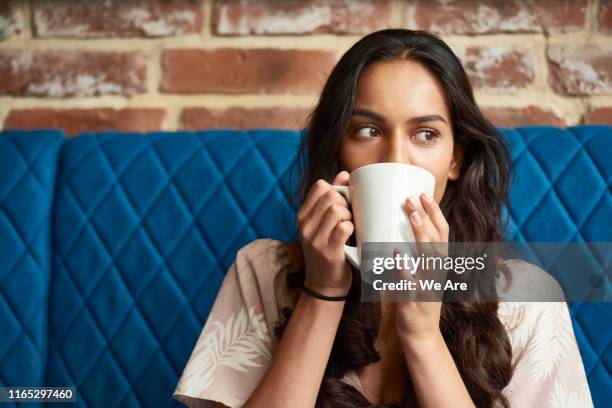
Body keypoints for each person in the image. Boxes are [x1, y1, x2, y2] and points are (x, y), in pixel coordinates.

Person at [172, 29, 593, 408]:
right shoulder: (264, 271)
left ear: (456, 159)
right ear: (339, 153)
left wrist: (422, 337)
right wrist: (322, 292)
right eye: (367, 131)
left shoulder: (527, 300)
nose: (394, 158)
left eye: (425, 134)